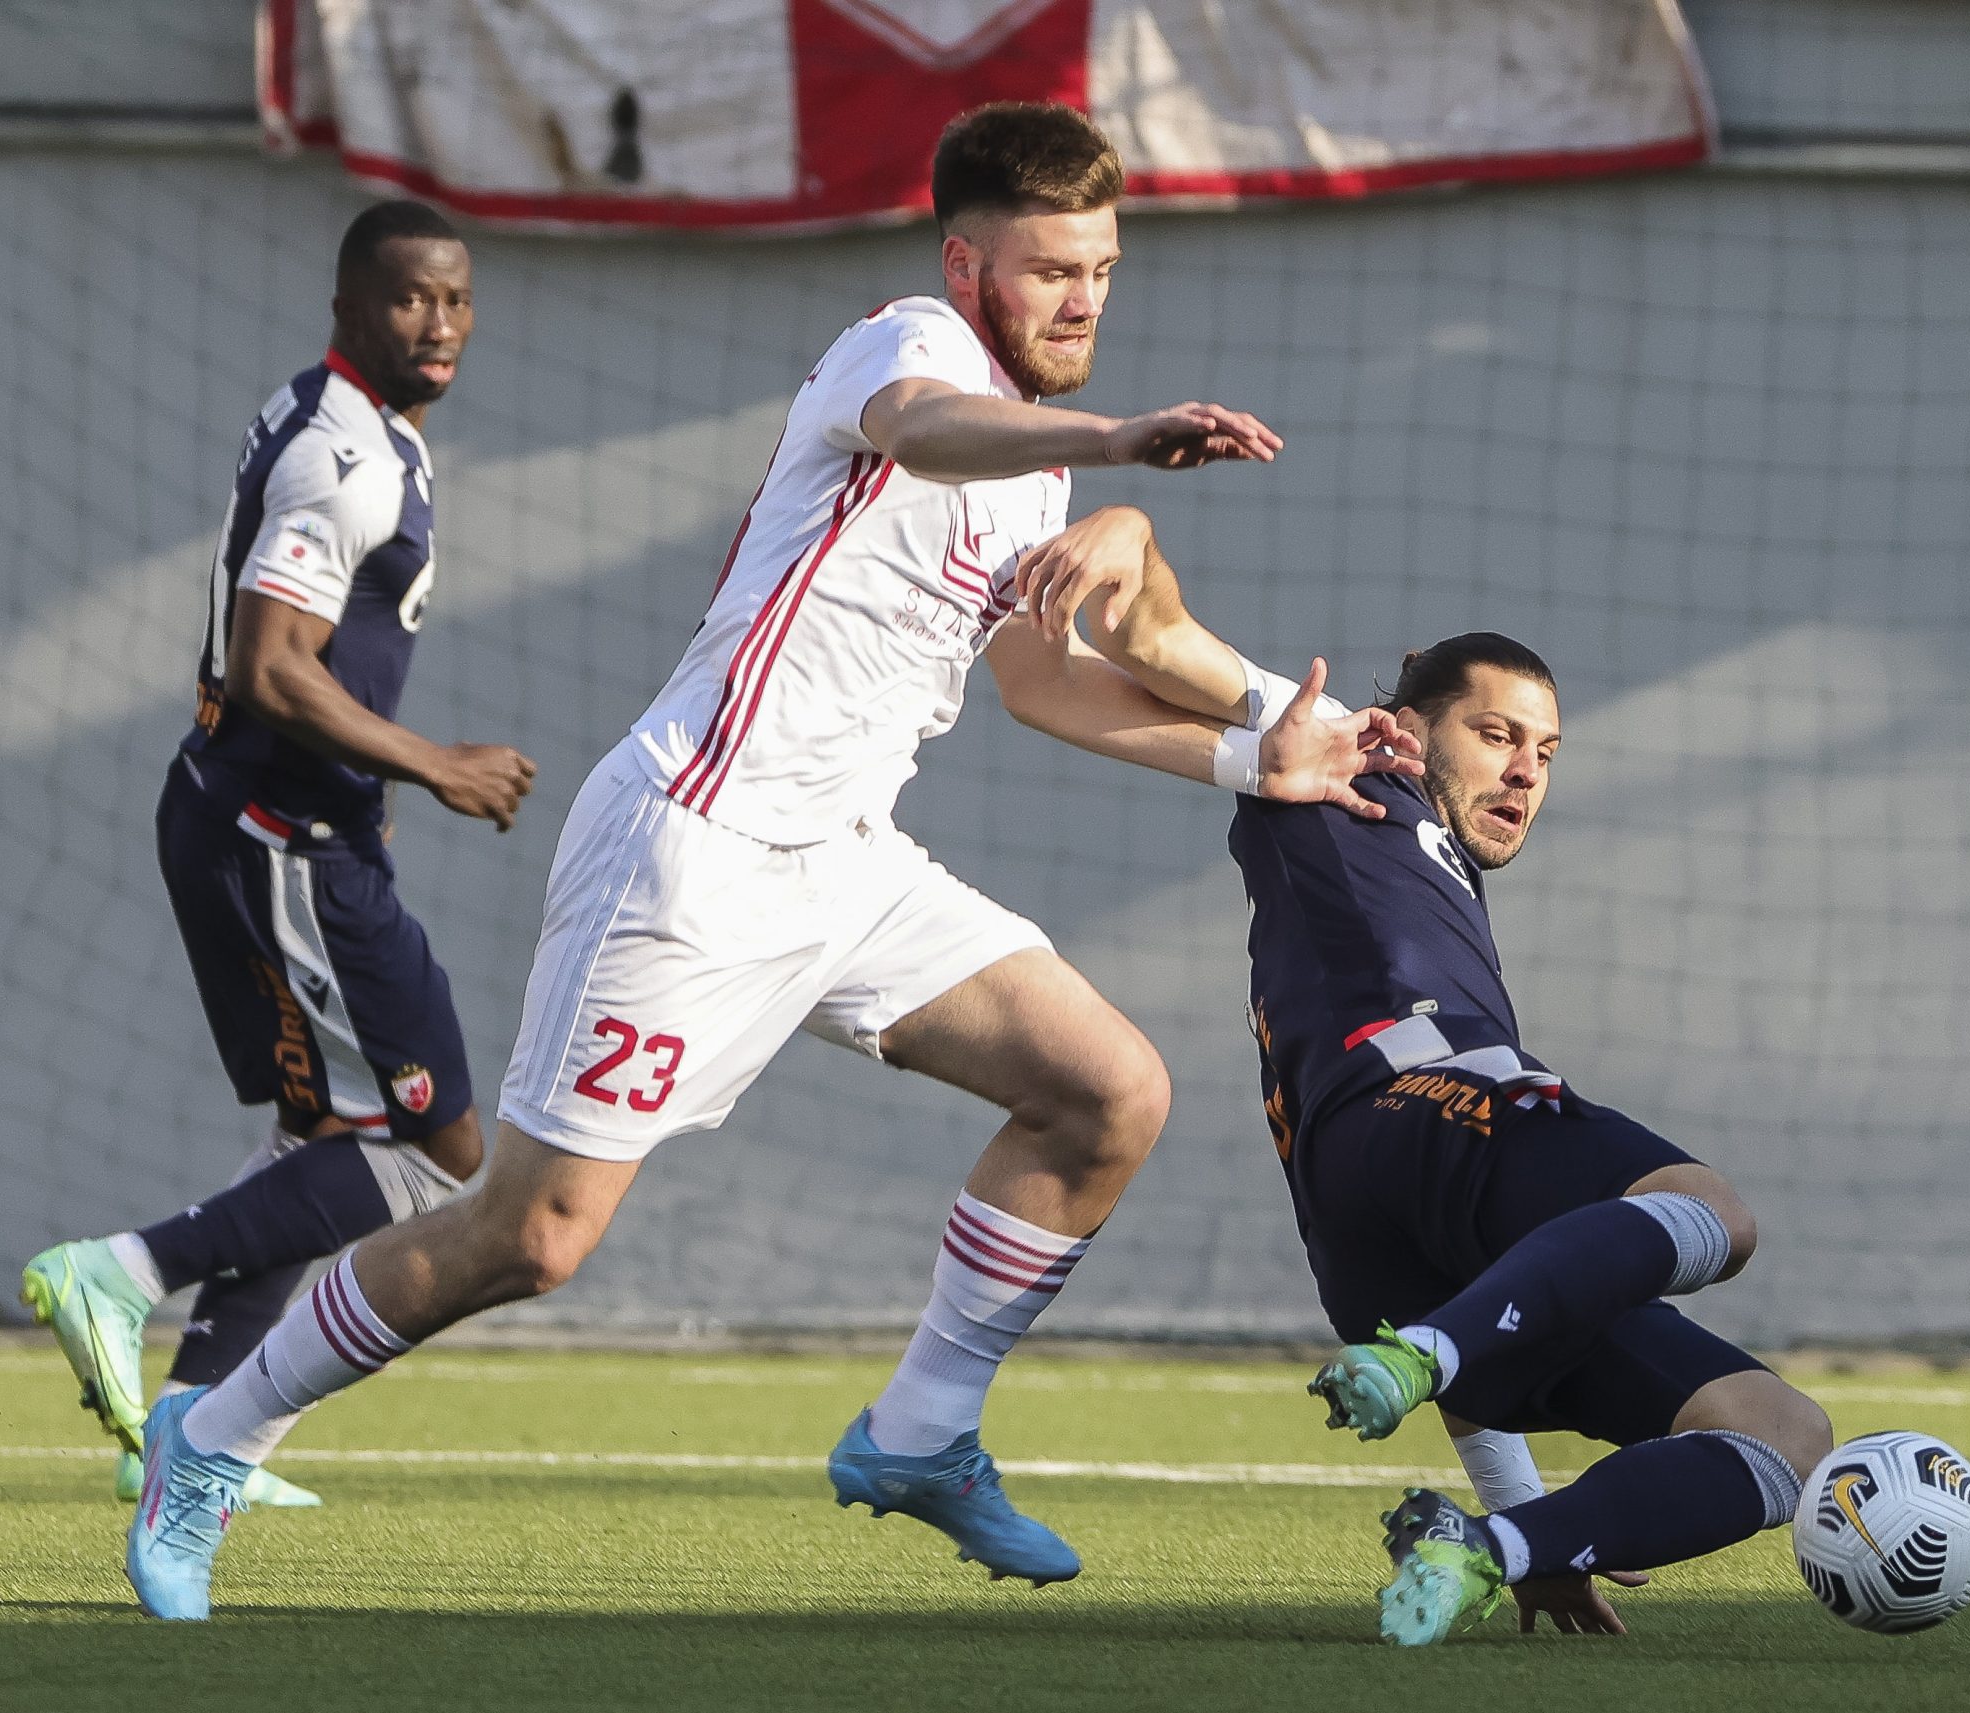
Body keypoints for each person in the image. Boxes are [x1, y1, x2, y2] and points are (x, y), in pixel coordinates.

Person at [116, 102, 1417, 1621]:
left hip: (850, 867)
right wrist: (1117, 443)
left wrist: (1265, 737)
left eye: (1105, 270)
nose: (1083, 299)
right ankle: (208, 1437)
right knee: (526, 1235)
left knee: (1109, 1090)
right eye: (1054, 267)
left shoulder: (1039, 477)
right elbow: (927, 428)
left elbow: (1046, 680)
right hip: (693, 849)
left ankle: (921, 1431)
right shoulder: (902, 344)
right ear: (965, 259)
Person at [1086, 569, 1837, 1646]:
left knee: (1785, 1436)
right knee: (1712, 1213)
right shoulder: (1341, 752)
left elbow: (1494, 1284)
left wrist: (1516, 1499)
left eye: (1545, 753)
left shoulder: (1431, 868)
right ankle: (1427, 1356)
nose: (1525, 769)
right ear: (1407, 725)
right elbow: (1148, 634)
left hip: (1368, 1243)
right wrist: (1120, 521)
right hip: (1432, 1101)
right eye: (1497, 734)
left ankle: (1499, 1548)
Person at [19, 200, 533, 1511]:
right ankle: (122, 1271)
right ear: (351, 305)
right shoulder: (341, 460)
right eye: (414, 299)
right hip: (280, 840)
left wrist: (371, 773)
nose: (443, 324)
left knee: (322, 1135)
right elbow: (269, 665)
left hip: (270, 819)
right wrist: (431, 760)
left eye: (459, 300)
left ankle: (195, 1434)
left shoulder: (343, 418)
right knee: (437, 1148)